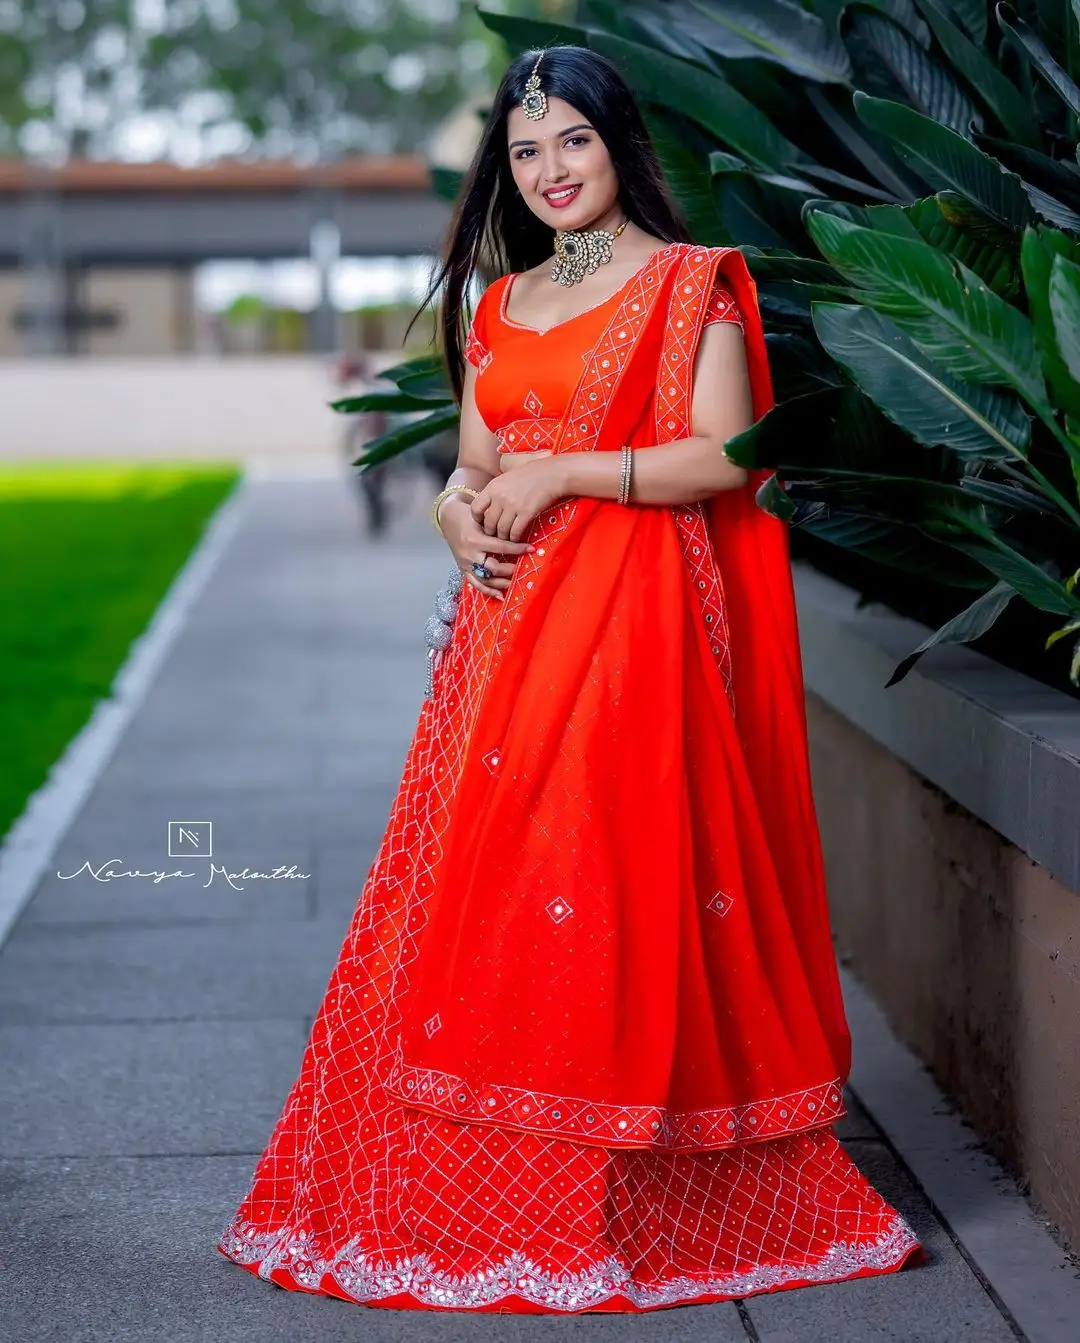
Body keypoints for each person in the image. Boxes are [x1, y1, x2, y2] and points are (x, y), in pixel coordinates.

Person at [216, 45, 921, 1313]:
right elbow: (477, 457)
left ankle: (635, 1179)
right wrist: (454, 504)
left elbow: (723, 456)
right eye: (525, 150)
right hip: (503, 634)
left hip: (637, 620)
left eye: (572, 143)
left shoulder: (688, 282)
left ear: (618, 144)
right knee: (493, 888)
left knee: (603, 875)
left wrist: (567, 477)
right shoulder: (503, 300)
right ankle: (492, 1166)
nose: (548, 171)